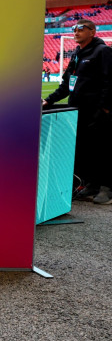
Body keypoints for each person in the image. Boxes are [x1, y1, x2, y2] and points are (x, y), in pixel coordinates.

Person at [42, 18, 112, 203]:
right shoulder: (76, 54)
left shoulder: (103, 51)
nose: (76, 31)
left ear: (92, 31)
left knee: (101, 150)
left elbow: (109, 82)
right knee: (85, 150)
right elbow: (67, 84)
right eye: (74, 28)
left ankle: (107, 188)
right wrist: (48, 100)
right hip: (78, 110)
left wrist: (104, 109)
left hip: (98, 112)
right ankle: (91, 184)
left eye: (81, 28)